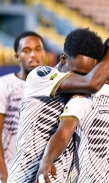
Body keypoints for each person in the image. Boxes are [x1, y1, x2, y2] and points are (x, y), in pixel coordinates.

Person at [7, 28, 109, 182]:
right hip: (24, 177)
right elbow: (92, 83)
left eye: (87, 74)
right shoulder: (40, 76)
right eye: (79, 72)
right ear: (63, 58)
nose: (81, 79)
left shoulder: (82, 91)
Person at [0, 31, 45, 183]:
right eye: (26, 50)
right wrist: (4, 174)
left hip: (38, 173)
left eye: (38, 49)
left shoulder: (52, 87)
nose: (33, 54)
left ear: (44, 53)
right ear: (17, 56)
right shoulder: (4, 85)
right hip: (11, 171)